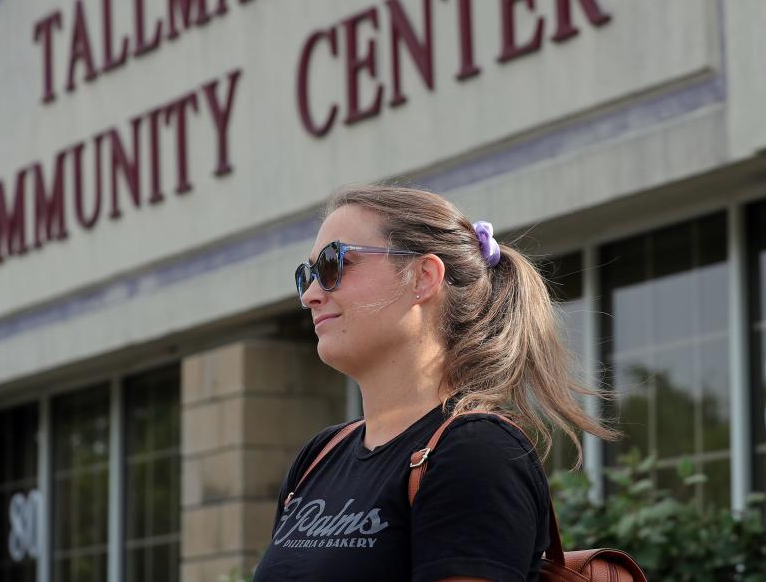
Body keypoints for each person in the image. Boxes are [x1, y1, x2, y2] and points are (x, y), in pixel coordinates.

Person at [251, 184, 621, 582]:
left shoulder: (477, 453)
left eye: (332, 265)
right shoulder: (320, 457)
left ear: (422, 277)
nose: (310, 295)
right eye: (306, 276)